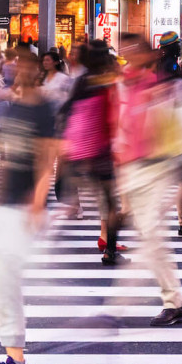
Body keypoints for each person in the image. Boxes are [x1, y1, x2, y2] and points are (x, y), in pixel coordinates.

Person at [0, 46, 61, 364]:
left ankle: (17, 363)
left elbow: (46, 159)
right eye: (13, 63)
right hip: (7, 203)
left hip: (24, 206)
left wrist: (38, 204)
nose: (16, 68)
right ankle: (16, 359)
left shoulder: (42, 108)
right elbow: (9, 158)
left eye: (23, 63)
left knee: (5, 279)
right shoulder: (15, 104)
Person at [113, 38, 182, 326]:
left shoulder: (160, 86)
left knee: (151, 237)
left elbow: (171, 130)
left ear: (148, 54)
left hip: (154, 168)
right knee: (148, 236)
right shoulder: (125, 83)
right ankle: (173, 301)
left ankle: (173, 301)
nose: (128, 57)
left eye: (134, 52)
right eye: (125, 53)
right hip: (132, 168)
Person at [60, 41, 122, 256]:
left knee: (105, 199)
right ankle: (110, 250)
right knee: (111, 201)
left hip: (84, 150)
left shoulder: (82, 81)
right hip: (103, 149)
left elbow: (66, 111)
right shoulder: (108, 81)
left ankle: (107, 244)